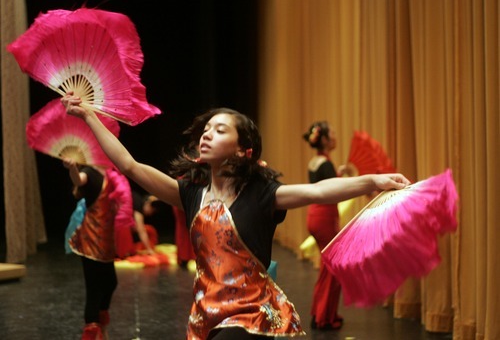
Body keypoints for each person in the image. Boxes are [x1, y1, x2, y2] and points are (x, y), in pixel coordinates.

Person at [62, 93, 411, 339]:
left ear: (243, 150)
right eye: (206, 129)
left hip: (251, 314)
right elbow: (128, 165)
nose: (207, 134)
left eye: (220, 129)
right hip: (206, 314)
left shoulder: (263, 197)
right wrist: (89, 115)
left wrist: (374, 180)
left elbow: (319, 191)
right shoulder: (190, 194)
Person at [63, 158, 135, 340]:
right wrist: (72, 168)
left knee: (111, 282)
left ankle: (100, 324)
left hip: (106, 241)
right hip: (91, 239)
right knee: (94, 288)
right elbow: (79, 180)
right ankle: (92, 329)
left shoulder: (112, 173)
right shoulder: (90, 172)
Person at [302, 121, 347, 330]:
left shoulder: (315, 162)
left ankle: (319, 314)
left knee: (327, 268)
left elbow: (325, 186)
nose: (336, 136)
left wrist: (338, 173)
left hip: (315, 215)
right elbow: (333, 191)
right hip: (324, 218)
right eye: (333, 134)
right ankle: (323, 318)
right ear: (326, 140)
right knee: (333, 269)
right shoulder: (326, 164)